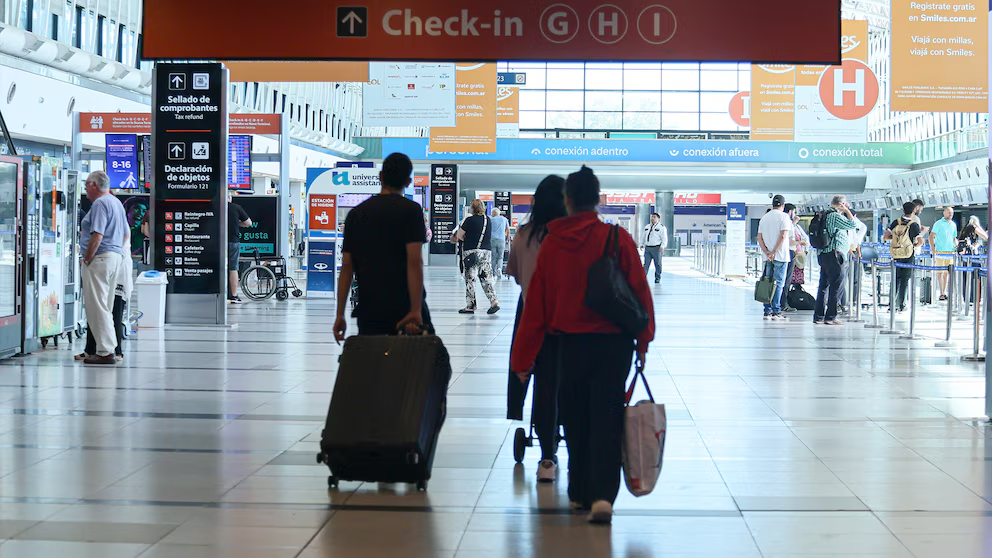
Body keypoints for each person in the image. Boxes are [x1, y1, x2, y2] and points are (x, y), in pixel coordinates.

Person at [511, 166, 655, 525]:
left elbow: (536, 307)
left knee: (575, 418)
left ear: (569, 200)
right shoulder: (617, 238)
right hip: (614, 346)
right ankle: (603, 497)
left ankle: (579, 493)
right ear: (598, 199)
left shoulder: (553, 244)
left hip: (568, 344)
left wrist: (523, 358)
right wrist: (643, 340)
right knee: (607, 416)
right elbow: (640, 290)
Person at [505, 175, 567, 482]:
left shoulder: (524, 234)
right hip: (567, 320)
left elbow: (517, 276)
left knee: (538, 382)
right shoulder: (570, 235)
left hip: (531, 314)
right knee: (562, 383)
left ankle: (546, 457)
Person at [334, 153, 429, 339]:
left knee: (373, 356)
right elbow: (414, 261)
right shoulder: (411, 211)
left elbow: (347, 267)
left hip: (370, 307)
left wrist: (340, 314)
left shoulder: (356, 214)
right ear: (408, 182)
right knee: (414, 355)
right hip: (405, 305)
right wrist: (416, 309)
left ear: (380, 176)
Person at [79, 171, 127, 365]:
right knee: (105, 306)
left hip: (99, 259)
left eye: (86, 185)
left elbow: (97, 235)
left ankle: (106, 351)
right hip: (114, 258)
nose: (85, 189)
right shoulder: (116, 203)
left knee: (97, 306)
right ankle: (108, 348)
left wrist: (87, 258)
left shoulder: (100, 204)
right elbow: (125, 234)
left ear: (94, 185)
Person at [813, 195, 858, 325]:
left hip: (823, 254)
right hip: (834, 255)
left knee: (824, 286)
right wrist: (847, 211)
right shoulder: (835, 216)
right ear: (841, 204)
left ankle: (819, 316)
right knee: (836, 286)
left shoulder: (824, 214)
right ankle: (831, 316)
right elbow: (852, 224)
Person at [451, 200, 500, 314]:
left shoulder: (469, 220)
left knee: (470, 279)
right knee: (486, 278)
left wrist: (467, 238)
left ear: (473, 208)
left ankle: (471, 305)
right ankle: (494, 301)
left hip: (471, 252)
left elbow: (459, 235)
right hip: (486, 252)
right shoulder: (488, 220)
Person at [756, 195, 793, 321]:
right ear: (783, 205)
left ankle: (767, 311)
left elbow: (759, 238)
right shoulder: (784, 217)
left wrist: (767, 252)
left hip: (767, 257)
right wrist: (774, 252)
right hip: (780, 256)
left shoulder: (764, 218)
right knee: (778, 284)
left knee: (767, 283)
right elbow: (783, 236)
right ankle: (776, 311)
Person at [884, 202, 924, 313]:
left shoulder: (895, 222)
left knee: (895, 279)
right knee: (904, 280)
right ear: (914, 211)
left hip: (896, 254)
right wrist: (912, 245)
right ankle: (901, 305)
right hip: (908, 255)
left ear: (902, 211)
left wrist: (896, 239)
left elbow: (886, 237)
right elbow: (920, 242)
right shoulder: (914, 225)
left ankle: (891, 305)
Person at [227, 193, 252, 303]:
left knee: (218, 267)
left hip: (218, 242)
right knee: (233, 268)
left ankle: (218, 292)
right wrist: (237, 223)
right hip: (233, 241)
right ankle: (233, 295)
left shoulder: (215, 207)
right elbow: (249, 223)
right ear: (229, 198)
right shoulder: (236, 207)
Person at [929, 206, 957, 301]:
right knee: (940, 272)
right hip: (940, 251)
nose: (950, 214)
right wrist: (933, 250)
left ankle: (944, 292)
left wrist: (957, 247)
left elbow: (954, 238)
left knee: (947, 273)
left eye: (952, 213)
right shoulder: (938, 224)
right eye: (949, 212)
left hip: (950, 252)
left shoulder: (953, 224)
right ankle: (941, 292)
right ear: (944, 213)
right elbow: (931, 236)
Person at [640, 212, 667, 284]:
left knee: (658, 264)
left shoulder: (661, 227)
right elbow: (643, 236)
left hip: (657, 248)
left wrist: (662, 246)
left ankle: (657, 278)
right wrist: (641, 244)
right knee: (646, 264)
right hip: (648, 248)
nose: (652, 218)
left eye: (654, 217)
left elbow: (664, 238)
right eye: (652, 217)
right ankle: (643, 278)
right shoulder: (647, 226)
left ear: (658, 219)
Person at [490, 208, 510, 280]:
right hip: (501, 240)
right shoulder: (504, 219)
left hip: (492, 240)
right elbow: (508, 231)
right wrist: (506, 240)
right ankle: (499, 268)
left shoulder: (491, 219)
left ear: (494, 213)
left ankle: (494, 274)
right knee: (500, 257)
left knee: (493, 257)